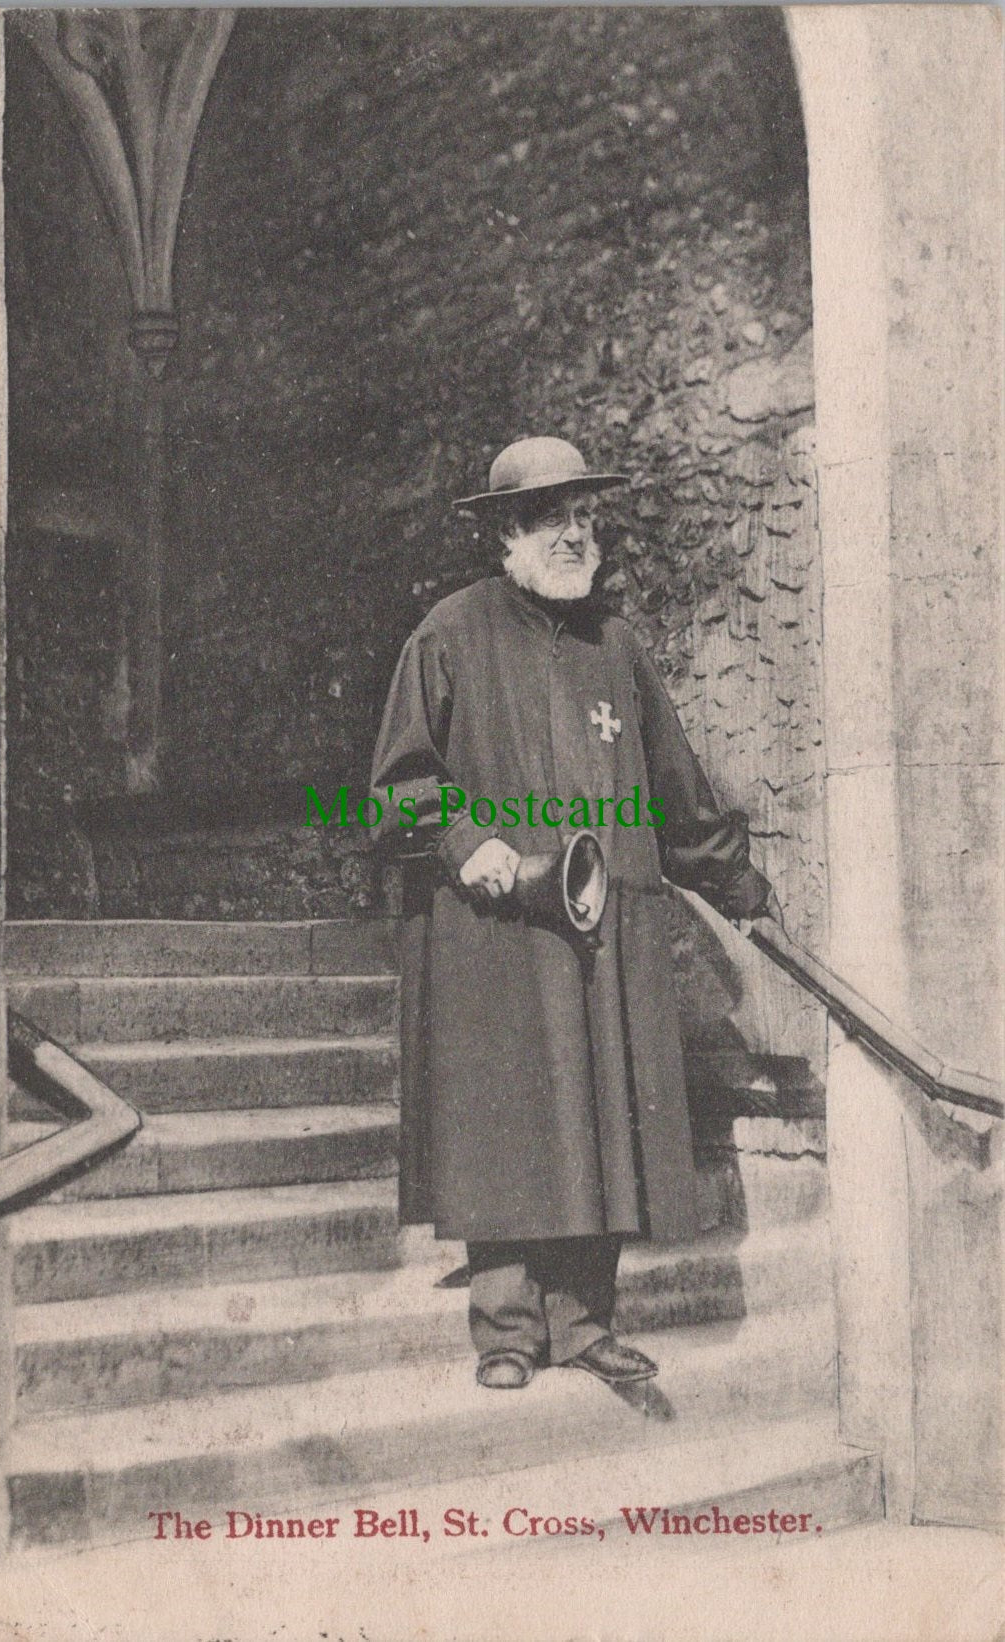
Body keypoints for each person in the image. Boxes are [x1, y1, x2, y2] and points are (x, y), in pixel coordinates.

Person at [370, 435, 783, 1392]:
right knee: (507, 1122)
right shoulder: (447, 634)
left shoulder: (617, 648)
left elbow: (679, 792)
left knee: (602, 1116)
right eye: (550, 516)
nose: (574, 533)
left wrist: (739, 890)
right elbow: (397, 787)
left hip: (605, 930)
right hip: (495, 929)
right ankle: (509, 1330)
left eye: (584, 515)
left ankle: (585, 1324)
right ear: (505, 533)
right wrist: (472, 845)